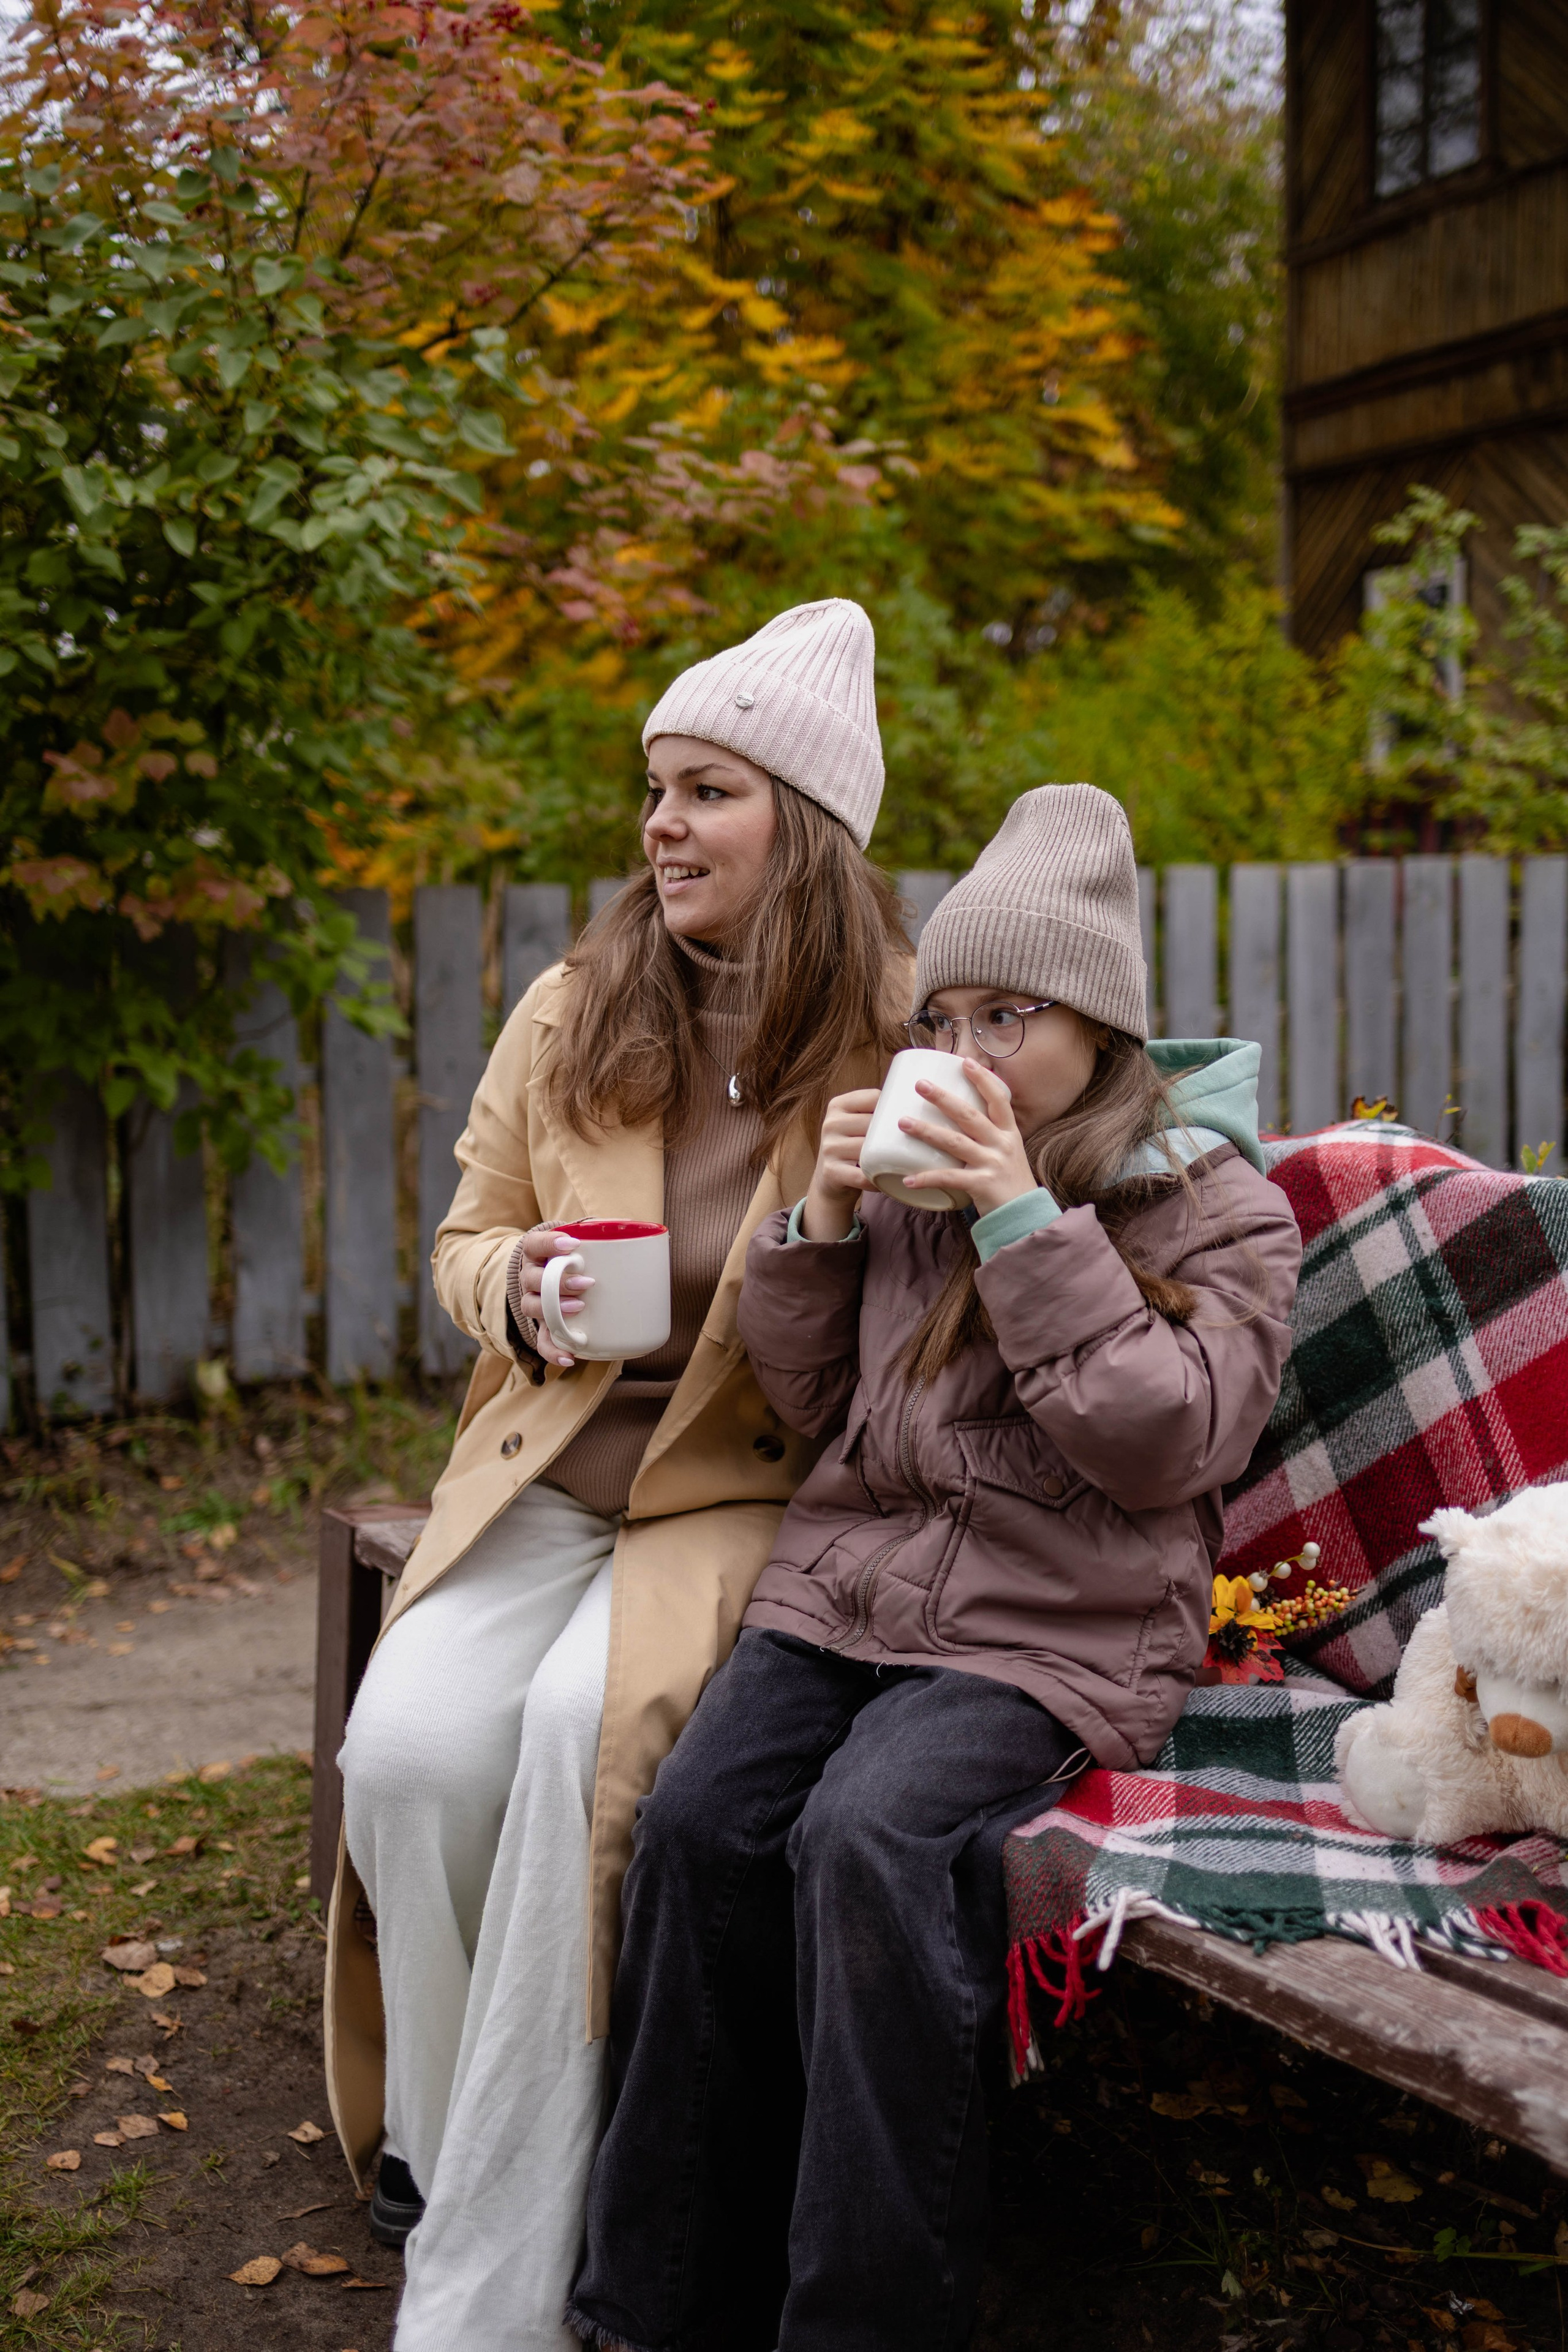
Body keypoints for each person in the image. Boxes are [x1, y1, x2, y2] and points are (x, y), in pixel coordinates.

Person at [567, 783, 1303, 2352]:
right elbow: (827, 1413)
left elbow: (1165, 1447)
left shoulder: (1212, 1205)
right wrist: (822, 1221)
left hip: (1057, 1627)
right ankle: (654, 2305)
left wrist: (1022, 1219)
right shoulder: (909, 1190)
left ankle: (861, 2319)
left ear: (1096, 1029)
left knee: (867, 1838)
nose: (959, 1051)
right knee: (696, 1824)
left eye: (1003, 1017)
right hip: (850, 1589)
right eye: (941, 1017)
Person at [329, 598, 911, 2352]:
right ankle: (444, 2141)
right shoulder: (579, 1007)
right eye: (654, 789)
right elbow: (464, 1237)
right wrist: (516, 1288)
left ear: (798, 826)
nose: (659, 824)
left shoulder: (891, 1036)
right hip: (543, 1468)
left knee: (584, 1754)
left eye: (706, 790)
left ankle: (514, 2259)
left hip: (736, 1494)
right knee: (411, 1752)